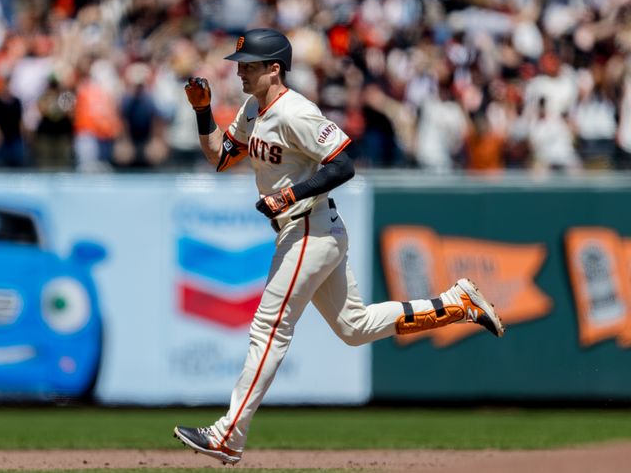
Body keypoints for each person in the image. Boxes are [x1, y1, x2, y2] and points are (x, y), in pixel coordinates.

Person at [172, 28, 506, 465]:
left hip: (309, 226)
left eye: (250, 65)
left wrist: (291, 195)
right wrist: (203, 113)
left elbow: (344, 164)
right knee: (356, 327)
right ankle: (455, 303)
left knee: (269, 327)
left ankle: (228, 433)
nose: (241, 72)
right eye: (240, 65)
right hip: (307, 229)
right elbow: (220, 157)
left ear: (275, 68)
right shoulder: (254, 109)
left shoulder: (296, 112)